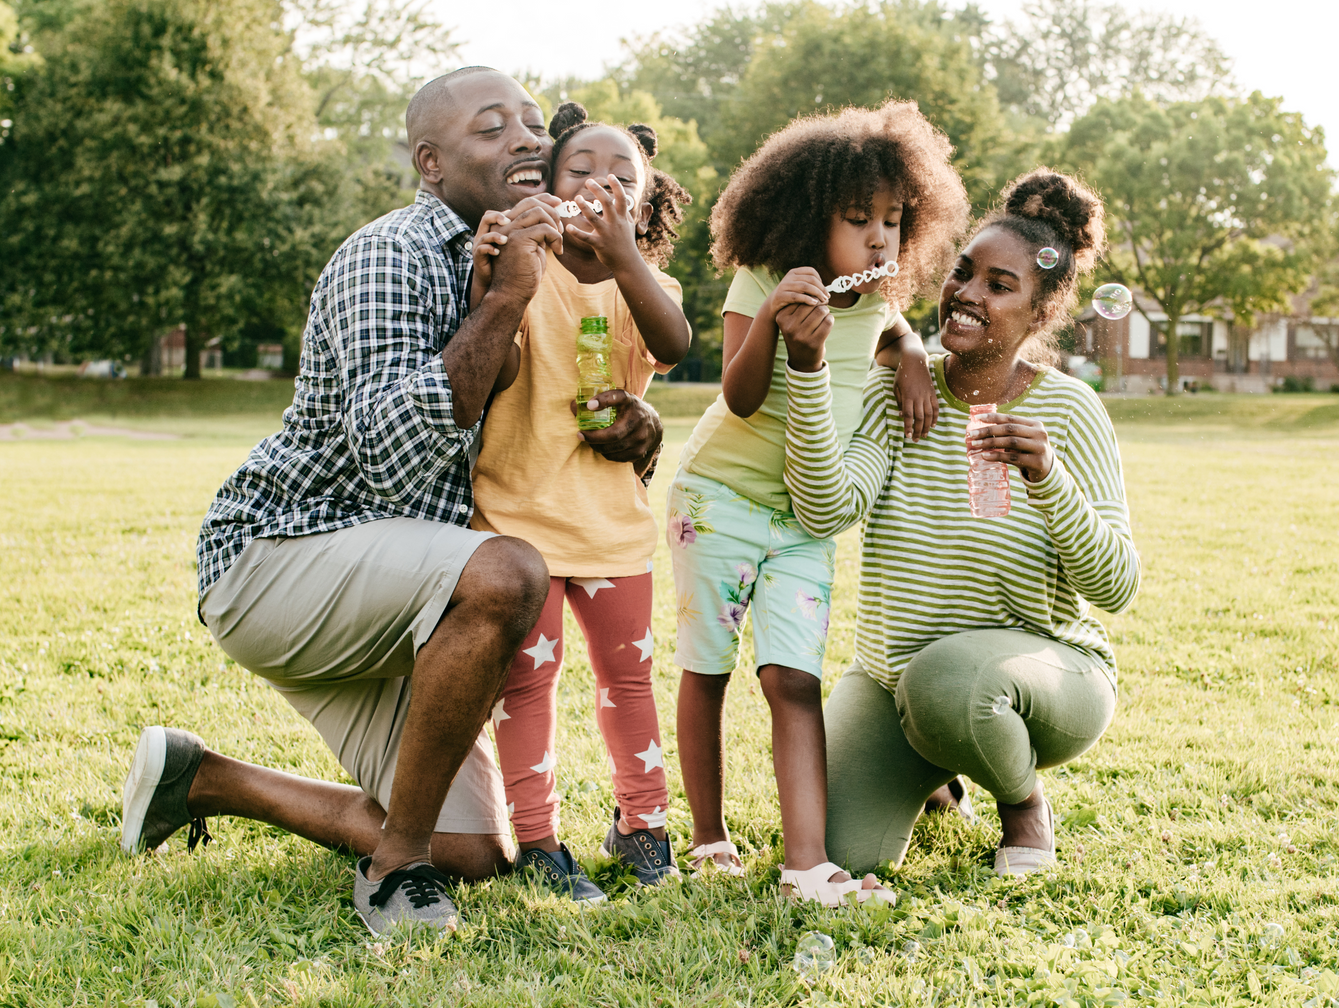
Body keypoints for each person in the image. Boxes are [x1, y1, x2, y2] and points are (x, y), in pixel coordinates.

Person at [117, 68, 665, 935]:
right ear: (431, 162)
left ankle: (204, 779)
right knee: (511, 572)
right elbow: (391, 466)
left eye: (531, 121)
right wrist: (509, 295)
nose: (526, 138)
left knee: (478, 848)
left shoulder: (523, 257)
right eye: (492, 128)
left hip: (395, 593)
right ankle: (392, 869)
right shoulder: (393, 252)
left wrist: (641, 424)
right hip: (282, 556)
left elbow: (556, 405)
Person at [782, 169, 1141, 876]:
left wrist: (1049, 480)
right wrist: (806, 367)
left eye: (999, 286)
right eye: (963, 272)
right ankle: (941, 771)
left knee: (946, 681)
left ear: (1038, 315)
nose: (968, 294)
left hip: (1048, 676)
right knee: (838, 852)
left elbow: (1117, 586)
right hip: (891, 679)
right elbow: (824, 507)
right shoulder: (897, 388)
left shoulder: (1068, 411)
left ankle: (1021, 800)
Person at [667, 100, 969, 904]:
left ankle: (805, 864)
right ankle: (707, 837)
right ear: (808, 215)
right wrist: (773, 318)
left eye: (895, 219)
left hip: (803, 522)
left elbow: (895, 326)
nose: (879, 237)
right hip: (719, 499)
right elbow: (737, 395)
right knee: (708, 669)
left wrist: (907, 353)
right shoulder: (764, 278)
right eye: (856, 217)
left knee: (793, 679)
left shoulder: (874, 303)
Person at [466, 102, 692, 901]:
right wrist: (499, 272)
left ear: (645, 199)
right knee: (527, 685)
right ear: (548, 183)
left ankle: (644, 826)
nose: (600, 185)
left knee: (627, 681)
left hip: (610, 532)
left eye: (622, 177)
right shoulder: (525, 267)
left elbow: (672, 346)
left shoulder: (647, 283)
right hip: (518, 520)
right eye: (581, 171)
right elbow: (490, 369)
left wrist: (626, 257)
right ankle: (537, 841)